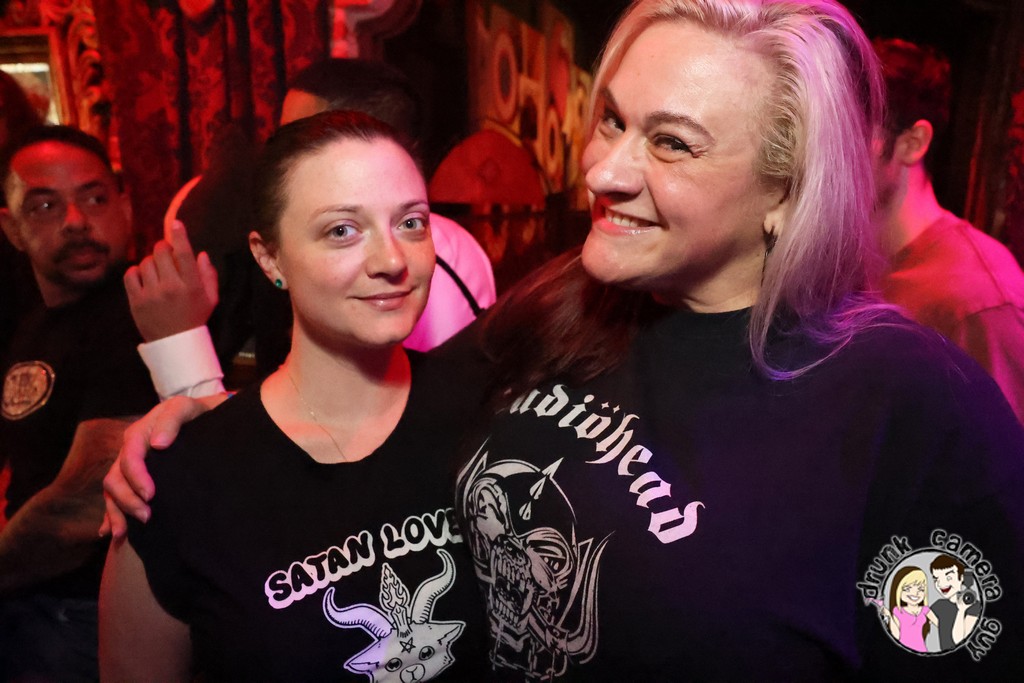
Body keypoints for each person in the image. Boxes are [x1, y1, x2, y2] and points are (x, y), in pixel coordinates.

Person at [105, 0, 1024, 678]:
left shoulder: (905, 402)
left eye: (671, 143)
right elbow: (378, 411)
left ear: (787, 190)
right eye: (614, 119)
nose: (603, 168)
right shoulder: (570, 299)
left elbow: (960, 651)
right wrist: (194, 410)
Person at [99, 111, 488, 681]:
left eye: (411, 222)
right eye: (342, 231)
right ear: (270, 258)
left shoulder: (491, 414)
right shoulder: (180, 480)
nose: (392, 261)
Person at [129, 58, 496, 399]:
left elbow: (367, 420)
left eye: (303, 136)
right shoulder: (290, 238)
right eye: (341, 231)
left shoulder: (429, 272)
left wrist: (181, 351)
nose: (280, 155)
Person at [0, 125, 157, 681]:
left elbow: (83, 508)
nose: (75, 221)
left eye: (94, 199)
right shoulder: (36, 322)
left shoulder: (138, 312)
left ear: (125, 207)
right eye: (45, 205)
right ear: (11, 228)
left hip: (84, 613)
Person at [873, 38, 1024, 422]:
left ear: (913, 143)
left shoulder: (978, 300)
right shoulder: (835, 261)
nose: (825, 153)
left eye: (848, 134)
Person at [929, 554, 981, 650]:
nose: (941, 584)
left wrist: (961, 610)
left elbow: (959, 641)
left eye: (948, 577)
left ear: (961, 578)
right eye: (936, 579)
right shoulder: (939, 605)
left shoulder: (974, 606)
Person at [887, 566, 937, 652]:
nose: (915, 593)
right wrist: (889, 616)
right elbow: (896, 636)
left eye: (921, 589)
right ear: (898, 590)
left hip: (921, 650)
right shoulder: (898, 611)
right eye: (907, 589)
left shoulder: (925, 610)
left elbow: (941, 625)